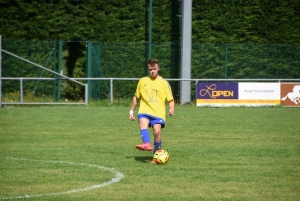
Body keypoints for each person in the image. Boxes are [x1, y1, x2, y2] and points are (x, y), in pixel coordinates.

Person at [129, 58, 175, 163]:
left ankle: (156, 155)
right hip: (144, 110)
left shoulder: (164, 83)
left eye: (154, 69)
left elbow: (170, 99)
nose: (152, 71)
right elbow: (136, 97)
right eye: (150, 69)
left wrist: (172, 108)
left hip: (158, 113)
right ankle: (146, 143)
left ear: (158, 68)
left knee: (157, 132)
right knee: (142, 123)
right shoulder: (142, 81)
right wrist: (131, 111)